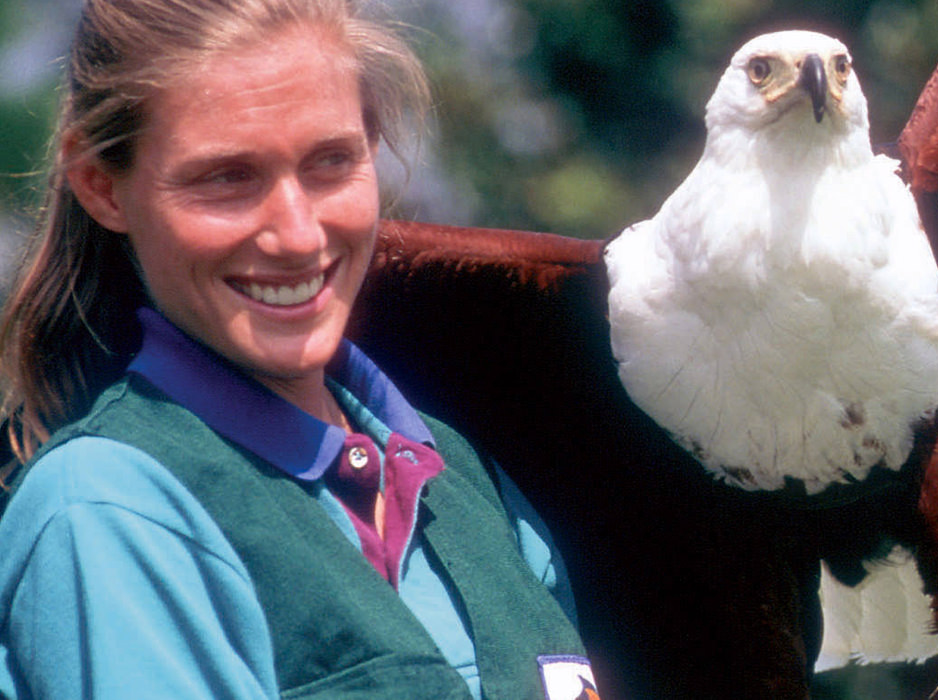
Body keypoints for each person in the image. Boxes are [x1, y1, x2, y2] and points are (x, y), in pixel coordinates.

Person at [0, 0, 593, 697]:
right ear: (103, 185)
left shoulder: (470, 487)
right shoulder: (108, 511)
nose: (299, 235)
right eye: (227, 177)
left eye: (330, 162)